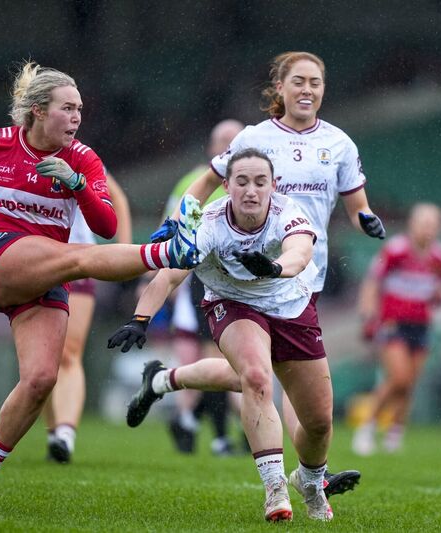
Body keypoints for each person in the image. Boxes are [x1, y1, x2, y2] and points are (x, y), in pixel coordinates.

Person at [0, 61, 203, 512]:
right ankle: (166, 254)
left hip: (45, 271)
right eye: (69, 108)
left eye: (80, 109)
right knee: (72, 259)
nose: (78, 118)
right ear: (39, 111)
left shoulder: (82, 158)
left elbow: (105, 223)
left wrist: (79, 185)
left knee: (42, 378)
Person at [149, 50, 384, 491]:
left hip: (301, 275)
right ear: (280, 88)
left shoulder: (339, 144)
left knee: (265, 375)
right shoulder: (257, 139)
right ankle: (308, 475)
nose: (307, 90)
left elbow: (357, 206)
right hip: (241, 278)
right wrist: (184, 221)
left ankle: (165, 379)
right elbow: (207, 181)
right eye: (298, 81)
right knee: (265, 374)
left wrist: (366, 219)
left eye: (315, 82)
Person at [110, 149, 333, 521]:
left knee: (319, 420)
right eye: (242, 181)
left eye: (260, 182)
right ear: (226, 185)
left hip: (291, 305)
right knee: (257, 377)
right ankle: (276, 487)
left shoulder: (287, 211)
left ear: (273, 186)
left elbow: (301, 253)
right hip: (233, 305)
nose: (251, 190)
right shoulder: (208, 224)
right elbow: (169, 274)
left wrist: (275, 267)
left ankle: (310, 482)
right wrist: (141, 319)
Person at [161, 119, 244, 455]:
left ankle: (190, 422)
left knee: (222, 364)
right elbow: (172, 228)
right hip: (202, 282)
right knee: (213, 361)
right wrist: (157, 281)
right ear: (211, 148)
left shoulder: (253, 181)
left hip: (242, 285)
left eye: (235, 140)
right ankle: (215, 433)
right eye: (222, 140)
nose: (228, 146)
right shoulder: (193, 182)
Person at [44, 170, 132, 464]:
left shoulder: (81, 157)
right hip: (34, 263)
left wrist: (125, 246)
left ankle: (65, 435)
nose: (71, 122)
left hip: (78, 259)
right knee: (42, 359)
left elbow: (116, 196)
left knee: (69, 352)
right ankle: (53, 430)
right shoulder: (13, 152)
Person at [353, 203, 441, 455]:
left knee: (409, 384)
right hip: (393, 323)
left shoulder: (440, 257)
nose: (428, 230)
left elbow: (438, 288)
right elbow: (373, 282)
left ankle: (395, 433)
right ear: (412, 225)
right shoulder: (396, 250)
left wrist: (438, 295)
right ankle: (368, 426)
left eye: (433, 225)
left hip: (421, 325)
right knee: (399, 377)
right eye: (423, 224)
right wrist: (367, 314)